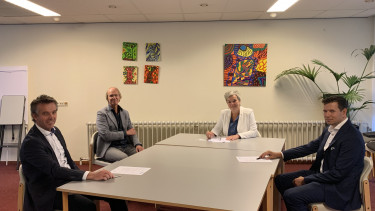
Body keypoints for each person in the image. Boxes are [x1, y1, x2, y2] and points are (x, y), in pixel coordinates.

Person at [20, 95, 127, 211]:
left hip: (69, 180)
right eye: (46, 113)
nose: (52, 117)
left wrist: (84, 180)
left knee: (116, 195)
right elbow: (54, 170)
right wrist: (90, 175)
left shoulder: (56, 131)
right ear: (34, 116)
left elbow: (69, 161)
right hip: (50, 191)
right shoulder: (31, 143)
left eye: (54, 112)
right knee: (87, 206)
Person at [258, 96, 365, 211]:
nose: (327, 115)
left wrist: (306, 180)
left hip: (337, 186)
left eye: (332, 111)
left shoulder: (352, 137)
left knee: (291, 195)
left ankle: (298, 200)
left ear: (344, 112)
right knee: (280, 180)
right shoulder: (330, 129)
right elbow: (309, 147)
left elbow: (338, 174)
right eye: (325, 111)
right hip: (322, 175)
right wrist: (280, 154)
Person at [96, 87, 143, 162]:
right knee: (125, 158)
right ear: (107, 98)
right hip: (109, 147)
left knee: (142, 155)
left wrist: (138, 144)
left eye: (116, 95)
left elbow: (132, 131)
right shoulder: (101, 113)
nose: (114, 97)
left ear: (119, 97)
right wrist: (125, 133)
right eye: (111, 95)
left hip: (125, 145)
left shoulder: (125, 113)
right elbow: (105, 135)